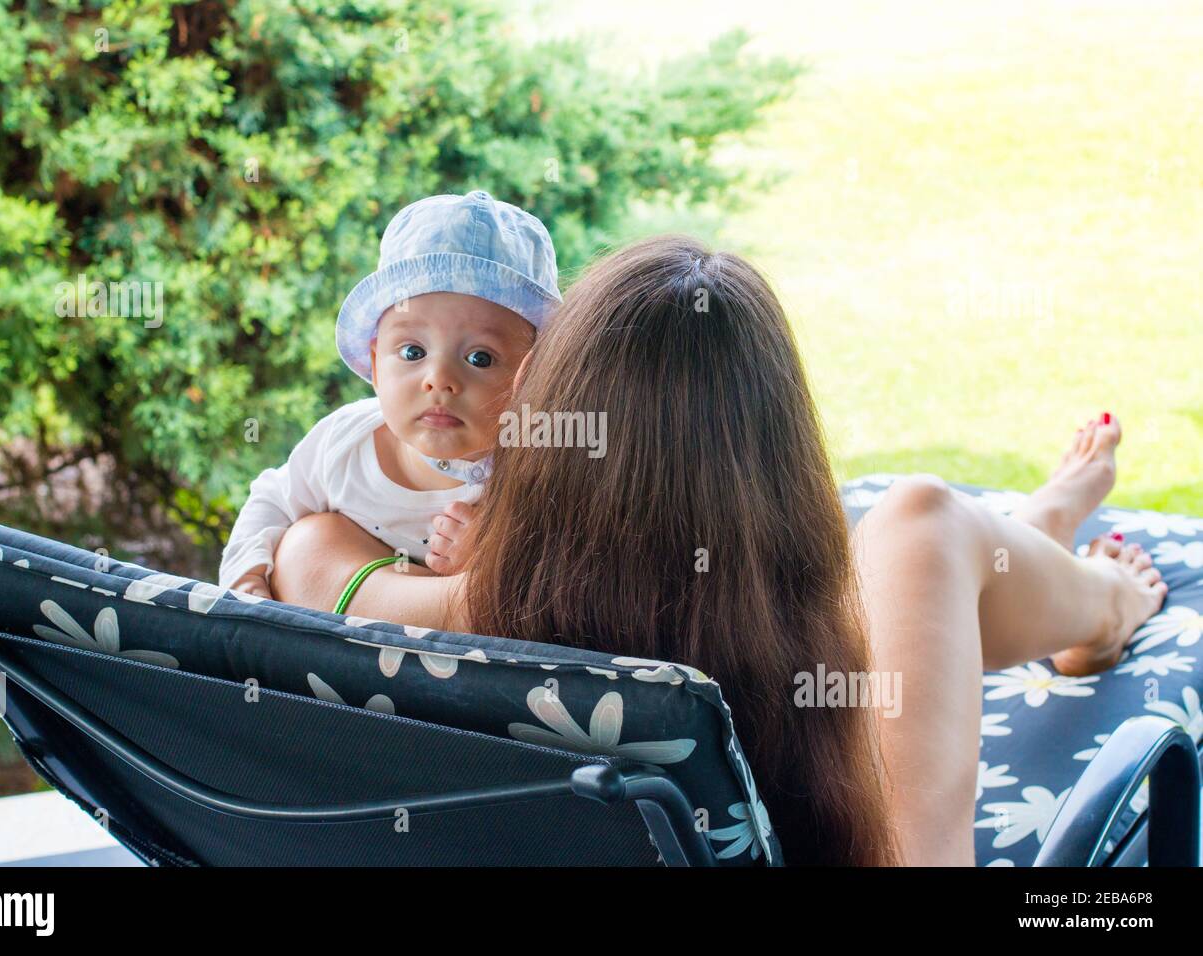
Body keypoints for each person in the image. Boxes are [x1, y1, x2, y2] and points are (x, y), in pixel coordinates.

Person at [267, 236, 1166, 866]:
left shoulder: (470, 620)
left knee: (920, 548)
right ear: (786, 476)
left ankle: (1037, 538)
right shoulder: (826, 659)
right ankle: (1097, 595)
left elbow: (309, 555)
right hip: (877, 790)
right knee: (921, 528)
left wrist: (391, 566)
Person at [217, 191, 560, 598]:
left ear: (534, 376)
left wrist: (495, 559)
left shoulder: (536, 471)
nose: (439, 379)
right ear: (376, 365)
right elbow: (273, 498)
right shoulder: (345, 443)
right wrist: (245, 581)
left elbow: (571, 578)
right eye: (413, 352)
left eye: (480, 358)